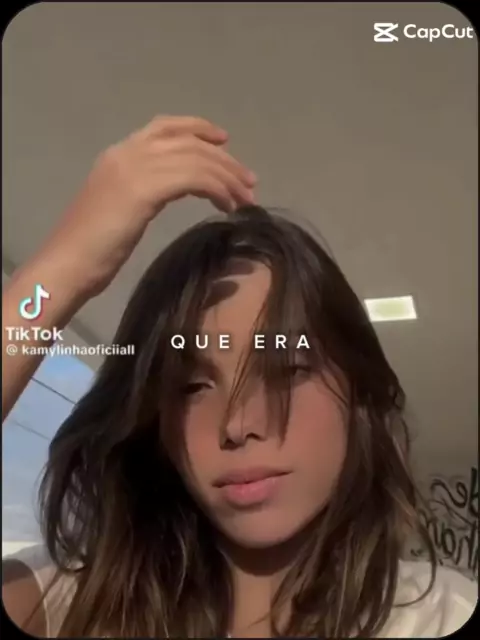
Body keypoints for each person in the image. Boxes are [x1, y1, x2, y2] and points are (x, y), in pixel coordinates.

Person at [2, 116, 476, 638]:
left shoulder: (443, 617)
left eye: (286, 370)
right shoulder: (74, 603)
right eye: (193, 386)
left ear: (358, 389)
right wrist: (58, 273)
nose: (237, 424)